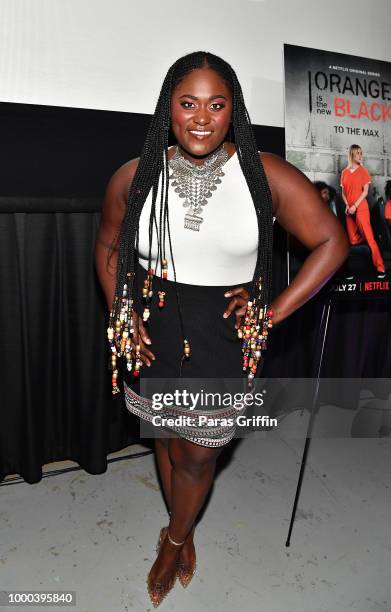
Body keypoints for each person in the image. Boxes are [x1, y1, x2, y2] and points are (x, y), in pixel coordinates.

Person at [95, 51, 349, 607]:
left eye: (217, 104)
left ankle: (175, 538)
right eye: (188, 103)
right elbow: (111, 244)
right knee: (164, 437)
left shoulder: (266, 175)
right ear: (169, 107)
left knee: (198, 453)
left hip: (226, 337)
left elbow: (334, 242)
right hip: (153, 327)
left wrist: (272, 311)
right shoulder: (135, 175)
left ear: (234, 109)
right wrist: (121, 310)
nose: (202, 117)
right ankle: (179, 523)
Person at [340, 144, 385, 273]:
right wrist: (348, 205)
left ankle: (380, 266)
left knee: (370, 239)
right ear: (352, 154)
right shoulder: (344, 172)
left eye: (361, 153)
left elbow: (365, 192)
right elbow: (343, 193)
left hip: (361, 208)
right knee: (353, 241)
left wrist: (354, 206)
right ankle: (363, 258)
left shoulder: (363, 171)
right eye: (358, 153)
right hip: (349, 210)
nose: (360, 155)